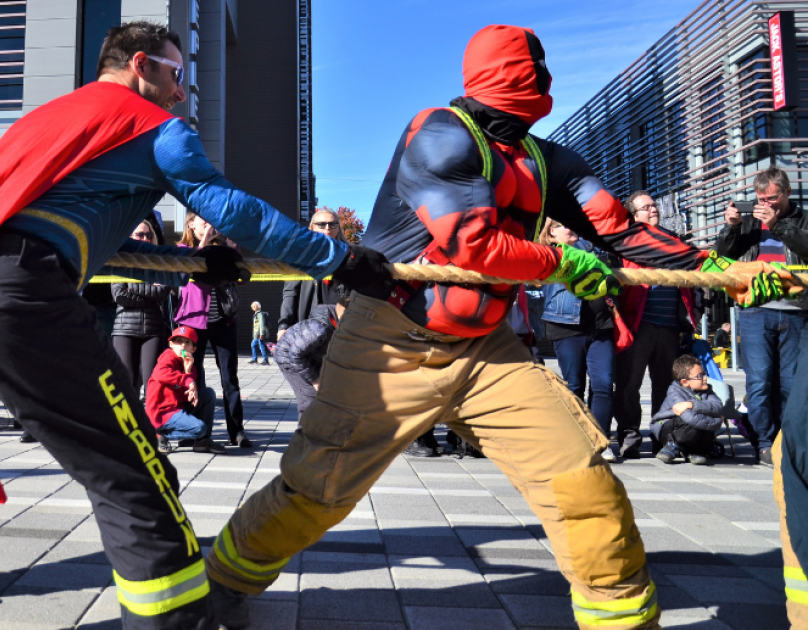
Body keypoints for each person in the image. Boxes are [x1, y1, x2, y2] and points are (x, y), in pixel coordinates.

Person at [203, 25, 797, 630]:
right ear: (519, 75)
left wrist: (719, 269)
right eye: (535, 68)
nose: (544, 78)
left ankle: (620, 618)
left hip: (489, 351)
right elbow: (473, 243)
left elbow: (620, 229)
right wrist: (566, 260)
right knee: (315, 491)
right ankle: (222, 581)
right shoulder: (436, 134)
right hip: (387, 342)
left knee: (582, 485)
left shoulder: (548, 159)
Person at [0, 21, 378, 630]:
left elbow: (62, 226)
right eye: (177, 74)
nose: (183, 92)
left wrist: (195, 263)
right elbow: (236, 211)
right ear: (142, 66)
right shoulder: (156, 129)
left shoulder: (50, 121)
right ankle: (175, 619)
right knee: (134, 470)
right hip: (20, 295)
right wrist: (343, 259)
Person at [716, 166, 808, 467]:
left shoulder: (802, 219)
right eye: (760, 199)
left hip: (796, 310)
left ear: (788, 193)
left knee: (791, 384)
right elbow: (723, 257)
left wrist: (778, 225)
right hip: (755, 310)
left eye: (772, 198)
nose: (765, 205)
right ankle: (765, 443)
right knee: (759, 382)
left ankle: (786, 440)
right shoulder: (750, 221)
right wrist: (731, 227)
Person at [614, 190, 700, 460]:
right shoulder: (625, 242)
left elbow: (694, 270)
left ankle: (663, 438)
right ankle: (629, 437)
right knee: (628, 385)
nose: (654, 210)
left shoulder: (673, 240)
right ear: (634, 215)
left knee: (666, 387)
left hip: (669, 327)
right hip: (637, 324)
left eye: (654, 206)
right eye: (647, 207)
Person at [540, 219, 618, 463]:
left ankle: (600, 441)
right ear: (552, 231)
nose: (572, 227)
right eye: (565, 224)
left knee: (604, 384)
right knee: (574, 385)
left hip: (601, 324)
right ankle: (575, 440)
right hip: (565, 324)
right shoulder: (545, 254)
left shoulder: (592, 248)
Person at [175, 212, 250, 447]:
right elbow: (183, 275)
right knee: (192, 377)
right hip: (193, 322)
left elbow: (242, 276)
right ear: (191, 223)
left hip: (223, 321)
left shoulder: (225, 248)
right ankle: (194, 430)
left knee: (230, 377)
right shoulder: (182, 248)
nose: (209, 224)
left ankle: (236, 431)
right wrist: (204, 243)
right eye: (203, 220)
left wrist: (230, 243)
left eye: (212, 220)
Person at [112, 215, 172, 394]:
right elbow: (119, 295)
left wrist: (133, 286)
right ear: (130, 238)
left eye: (148, 235)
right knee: (126, 384)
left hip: (153, 329)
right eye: (140, 235)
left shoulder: (158, 262)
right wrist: (149, 292)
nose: (145, 239)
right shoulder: (120, 259)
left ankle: (151, 422)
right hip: (125, 328)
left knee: (153, 385)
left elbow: (163, 292)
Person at [147, 325, 223, 454]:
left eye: (187, 343)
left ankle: (202, 442)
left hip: (178, 408)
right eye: (179, 341)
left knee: (208, 393)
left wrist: (188, 374)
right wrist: (187, 380)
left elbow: (191, 389)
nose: (183, 346)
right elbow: (160, 374)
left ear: (193, 349)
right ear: (171, 344)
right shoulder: (168, 357)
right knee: (199, 429)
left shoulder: (191, 367)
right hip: (162, 412)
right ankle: (157, 435)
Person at [274, 289, 348, 417]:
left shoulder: (339, 320)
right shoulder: (318, 330)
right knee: (310, 399)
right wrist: (315, 381)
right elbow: (296, 355)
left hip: (311, 356)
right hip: (289, 358)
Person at [277, 209, 341, 340]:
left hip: (339, 327)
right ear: (312, 227)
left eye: (332, 224)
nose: (327, 228)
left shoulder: (346, 256)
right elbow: (291, 292)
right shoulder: (300, 256)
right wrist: (284, 324)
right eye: (321, 224)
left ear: (338, 228)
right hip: (307, 326)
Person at [650, 355, 723, 466]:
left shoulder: (708, 391)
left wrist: (691, 404)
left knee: (704, 427)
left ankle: (694, 451)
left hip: (696, 426)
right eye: (700, 376)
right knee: (689, 422)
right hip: (669, 430)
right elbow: (691, 419)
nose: (705, 378)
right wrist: (717, 421)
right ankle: (673, 444)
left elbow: (718, 407)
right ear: (685, 382)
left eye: (704, 374)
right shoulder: (674, 392)